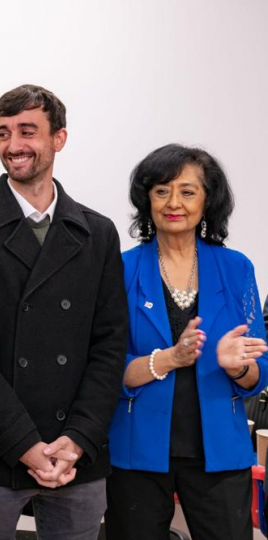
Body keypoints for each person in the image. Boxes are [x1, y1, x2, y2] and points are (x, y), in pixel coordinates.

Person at [0, 84, 128, 540]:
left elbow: (110, 344)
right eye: (2, 133)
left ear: (59, 138)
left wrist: (78, 437)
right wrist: (24, 445)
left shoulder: (97, 233)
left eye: (27, 131)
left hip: (76, 450)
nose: (12, 146)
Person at [105, 144, 268, 540]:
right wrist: (169, 359)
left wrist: (238, 366)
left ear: (207, 199)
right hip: (137, 451)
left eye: (187, 191)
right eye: (161, 191)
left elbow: (259, 373)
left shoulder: (236, 268)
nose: (173, 202)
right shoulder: (120, 269)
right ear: (147, 199)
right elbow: (104, 367)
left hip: (220, 452)